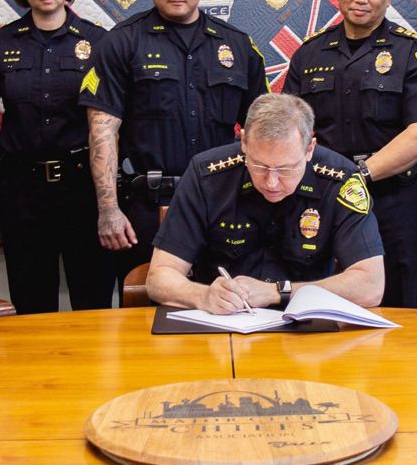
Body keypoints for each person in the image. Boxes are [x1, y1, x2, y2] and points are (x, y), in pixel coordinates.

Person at [80, 0, 267, 288]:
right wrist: (108, 210)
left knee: (229, 308)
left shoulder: (238, 46)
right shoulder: (121, 42)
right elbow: (102, 131)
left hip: (225, 205)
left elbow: (263, 132)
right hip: (148, 209)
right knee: (145, 316)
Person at [282, 0, 417, 308]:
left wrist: (357, 176)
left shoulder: (410, 52)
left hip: (395, 201)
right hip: (320, 202)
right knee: (316, 304)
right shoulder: (309, 53)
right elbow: (288, 129)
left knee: (402, 307)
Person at [147, 94, 384, 313]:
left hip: (307, 332)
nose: (271, 182)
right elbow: (159, 277)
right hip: (222, 326)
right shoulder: (207, 175)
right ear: (244, 143)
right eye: (259, 166)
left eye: (285, 169)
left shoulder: (340, 180)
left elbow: (371, 284)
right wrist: (203, 295)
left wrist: (276, 292)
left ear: (309, 149)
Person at [0, 0, 111, 313]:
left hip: (83, 187)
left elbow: (112, 123)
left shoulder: (97, 42)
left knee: (92, 296)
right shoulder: (2, 43)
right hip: (22, 191)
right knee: (30, 299)